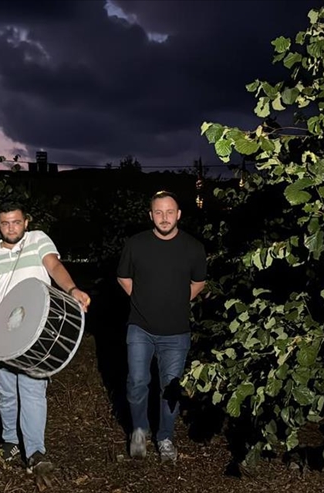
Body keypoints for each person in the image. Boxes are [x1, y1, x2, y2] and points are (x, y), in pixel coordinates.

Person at [0, 201, 90, 475]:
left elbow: (54, 266)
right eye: (5, 223)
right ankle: (11, 442)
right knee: (7, 395)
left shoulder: (38, 240)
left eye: (16, 222)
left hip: (35, 334)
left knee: (33, 391)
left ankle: (36, 451)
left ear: (26, 222)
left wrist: (72, 289)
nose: (11, 227)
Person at [116, 190, 207, 462]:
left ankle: (165, 437)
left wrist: (177, 301)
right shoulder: (136, 244)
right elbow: (123, 277)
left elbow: (198, 283)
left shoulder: (193, 247)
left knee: (170, 388)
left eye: (169, 212)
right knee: (137, 382)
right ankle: (140, 433)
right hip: (140, 328)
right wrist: (144, 300)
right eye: (158, 212)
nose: (164, 218)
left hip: (177, 332)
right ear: (151, 215)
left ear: (178, 214)